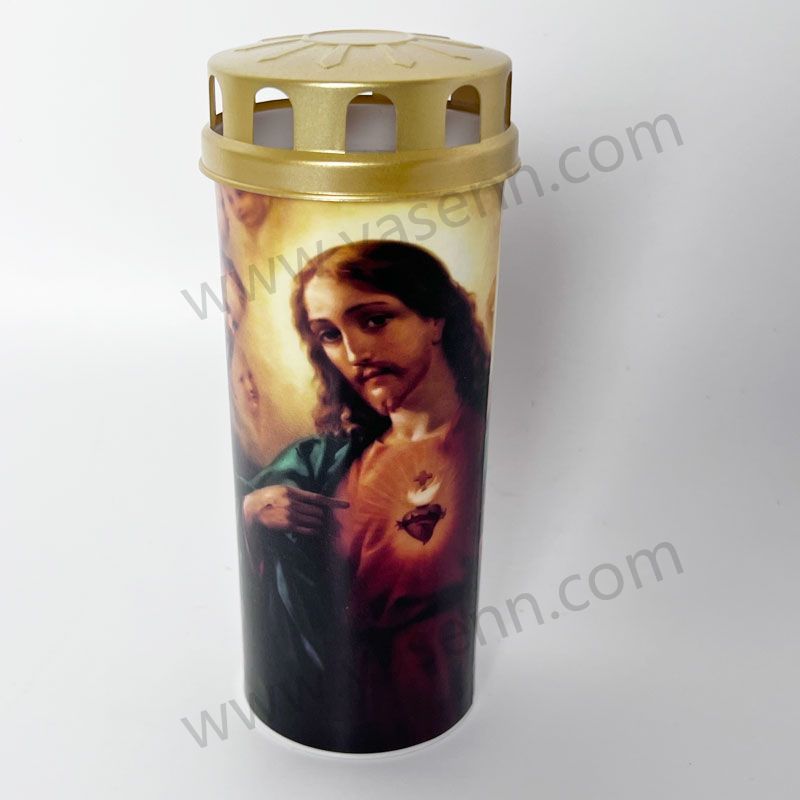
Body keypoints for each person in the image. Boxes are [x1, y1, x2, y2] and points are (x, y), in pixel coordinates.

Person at [238, 240, 491, 752]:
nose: (353, 354)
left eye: (374, 320)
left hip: (431, 714)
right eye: (329, 335)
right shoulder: (328, 464)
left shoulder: (474, 442)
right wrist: (254, 509)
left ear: (434, 319)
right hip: (330, 709)